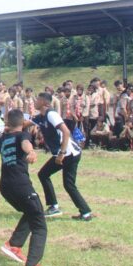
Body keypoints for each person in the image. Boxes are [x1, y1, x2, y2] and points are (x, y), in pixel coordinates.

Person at [0, 109, 50, 266]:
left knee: (32, 211)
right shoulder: (23, 136)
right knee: (40, 224)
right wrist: (31, 152)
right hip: (20, 186)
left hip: (5, 187)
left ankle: (13, 244)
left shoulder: (3, 138)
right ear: (22, 122)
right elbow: (25, 144)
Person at [33, 93, 92, 221]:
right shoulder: (40, 117)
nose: (35, 101)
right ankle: (84, 212)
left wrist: (61, 153)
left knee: (58, 180)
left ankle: (56, 208)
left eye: (37, 99)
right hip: (67, 154)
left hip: (68, 154)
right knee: (55, 179)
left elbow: (66, 131)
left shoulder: (51, 114)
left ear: (45, 102)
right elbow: (24, 124)